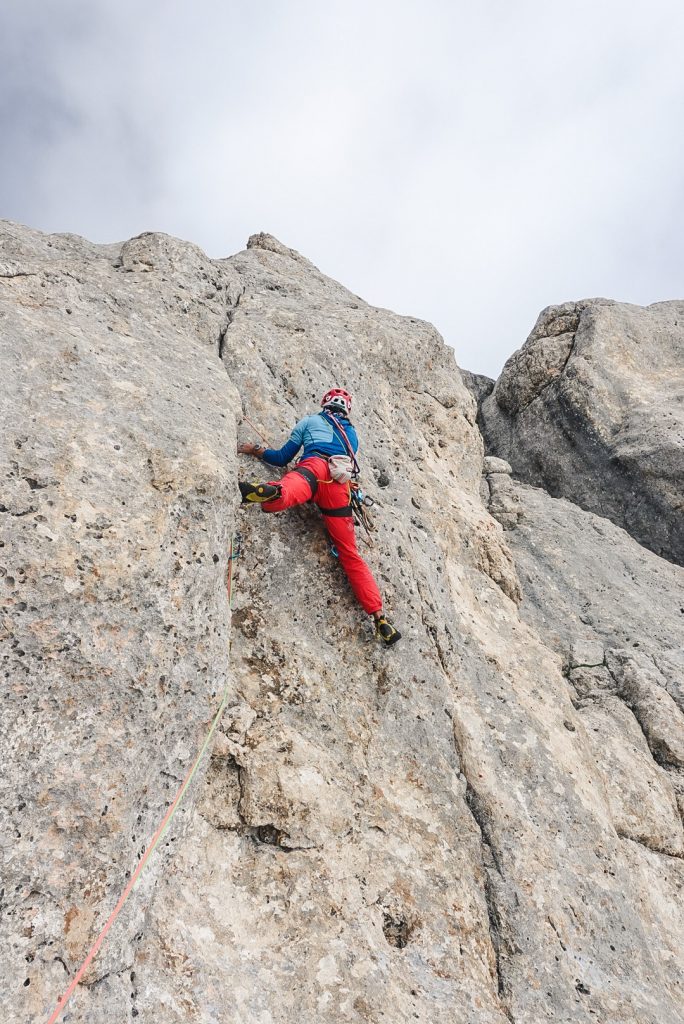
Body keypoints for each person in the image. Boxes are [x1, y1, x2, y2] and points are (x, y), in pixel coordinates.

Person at [237, 388, 401, 645]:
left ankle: (271, 492)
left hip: (314, 469)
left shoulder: (310, 421)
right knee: (350, 553)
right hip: (338, 485)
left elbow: (282, 458)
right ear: (346, 409)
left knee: (291, 488)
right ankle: (379, 617)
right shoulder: (352, 435)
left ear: (325, 403)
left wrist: (257, 450)